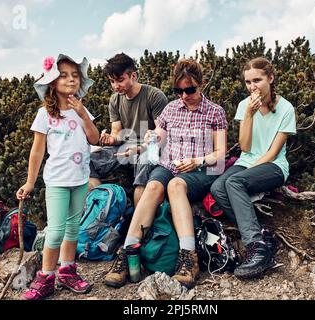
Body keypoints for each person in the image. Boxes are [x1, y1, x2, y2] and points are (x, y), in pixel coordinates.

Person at [104, 58, 227, 289]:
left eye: (189, 89)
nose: (184, 95)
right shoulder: (171, 109)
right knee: (153, 187)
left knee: (175, 186)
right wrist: (142, 146)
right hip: (169, 164)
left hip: (202, 169)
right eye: (178, 90)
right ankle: (128, 252)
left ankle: (188, 257)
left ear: (200, 84)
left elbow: (220, 154)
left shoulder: (215, 112)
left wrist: (197, 160)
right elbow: (157, 139)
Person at [16, 54, 99, 300]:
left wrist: (84, 115)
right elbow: (37, 150)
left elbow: (94, 139)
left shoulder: (82, 111)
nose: (71, 80)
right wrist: (30, 182)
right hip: (57, 181)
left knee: (73, 228)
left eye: (75, 76)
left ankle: (67, 270)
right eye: (64, 75)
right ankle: (46, 277)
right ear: (52, 82)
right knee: (55, 231)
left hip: (81, 179)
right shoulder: (45, 114)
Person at [210, 57, 297, 280]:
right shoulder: (244, 106)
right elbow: (246, 147)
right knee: (218, 187)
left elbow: (272, 153)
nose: (252, 86)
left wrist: (245, 172)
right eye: (248, 82)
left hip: (274, 166)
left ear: (271, 78)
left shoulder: (286, 109)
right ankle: (261, 233)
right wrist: (248, 114)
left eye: (257, 80)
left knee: (234, 182)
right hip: (246, 161)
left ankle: (256, 245)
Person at [89, 53, 168, 206]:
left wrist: (139, 149)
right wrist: (110, 139)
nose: (115, 86)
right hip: (125, 148)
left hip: (151, 148)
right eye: (112, 81)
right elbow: (117, 132)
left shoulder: (154, 96)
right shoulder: (115, 99)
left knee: (145, 162)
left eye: (120, 80)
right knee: (87, 161)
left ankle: (139, 225)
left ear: (133, 76)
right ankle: (101, 210)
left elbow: (160, 135)